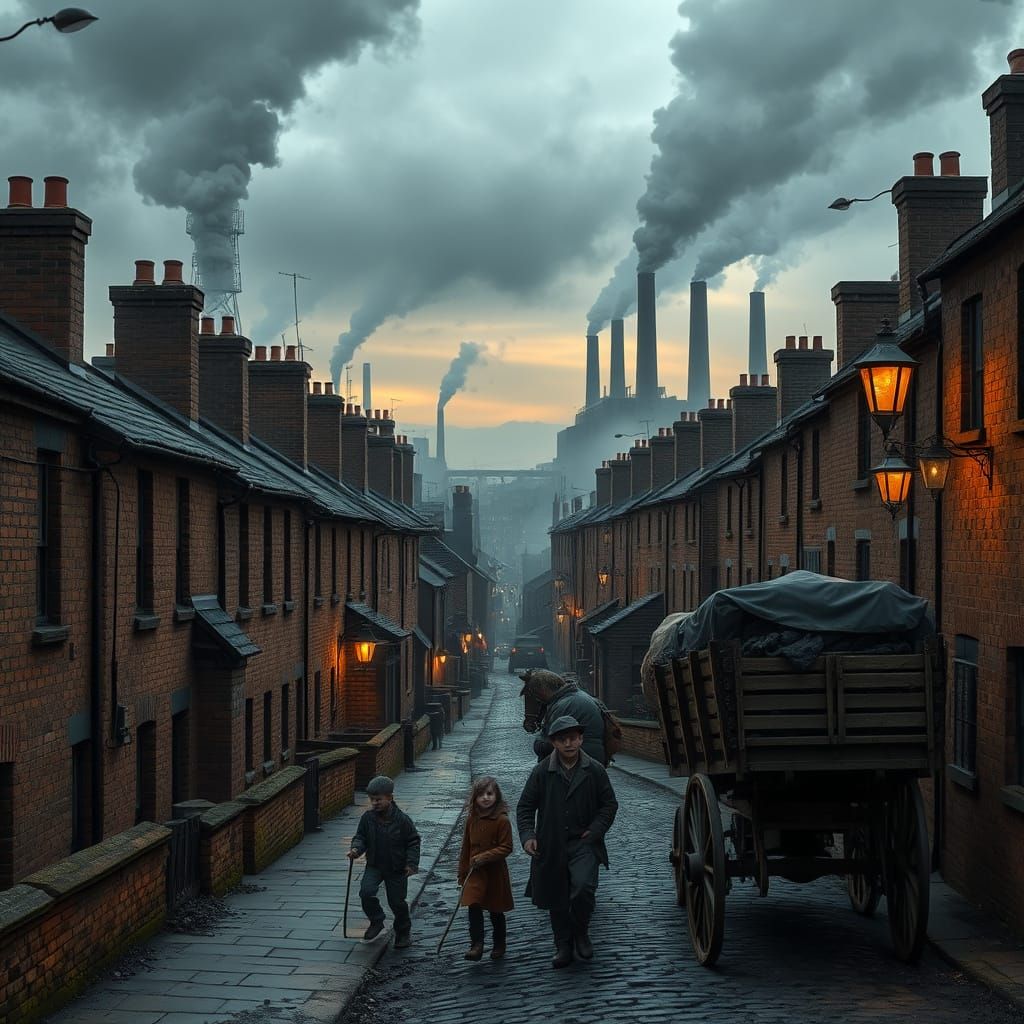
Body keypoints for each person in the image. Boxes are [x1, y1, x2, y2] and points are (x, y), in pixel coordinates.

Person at [516, 715, 618, 969]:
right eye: (563, 740)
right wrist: (528, 836)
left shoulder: (594, 769)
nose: (569, 744)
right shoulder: (542, 772)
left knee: (583, 887)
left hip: (584, 843)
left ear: (581, 739)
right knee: (557, 894)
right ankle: (562, 944)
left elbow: (609, 805)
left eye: (573, 738)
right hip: (551, 843)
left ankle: (581, 931)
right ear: (554, 743)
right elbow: (525, 806)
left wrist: (595, 830)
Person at [347, 775, 421, 948]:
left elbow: (413, 841)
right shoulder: (367, 818)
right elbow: (361, 837)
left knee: (397, 902)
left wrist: (411, 864)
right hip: (374, 865)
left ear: (390, 798)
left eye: (378, 799)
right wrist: (356, 849)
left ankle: (403, 932)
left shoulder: (402, 820)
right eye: (372, 799)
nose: (374, 803)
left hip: (396, 868)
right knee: (366, 892)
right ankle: (376, 920)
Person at [457, 775, 514, 961]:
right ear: (475, 798)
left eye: (489, 794)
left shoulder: (502, 821)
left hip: (495, 873)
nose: (485, 798)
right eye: (481, 794)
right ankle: (477, 944)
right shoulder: (471, 819)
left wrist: (484, 857)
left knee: (496, 909)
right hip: (475, 873)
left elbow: (506, 847)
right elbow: (466, 847)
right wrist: (462, 873)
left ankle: (499, 943)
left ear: (496, 796)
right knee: (473, 905)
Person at [522, 669, 607, 764]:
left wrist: (538, 743)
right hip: (590, 759)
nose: (538, 698)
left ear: (543, 690)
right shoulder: (579, 697)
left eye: (536, 694)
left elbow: (549, 744)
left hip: (576, 762)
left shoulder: (563, 706)